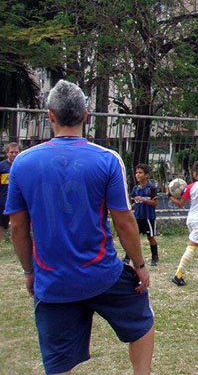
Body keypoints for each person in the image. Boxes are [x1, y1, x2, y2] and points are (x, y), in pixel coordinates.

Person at [4, 80, 153, 374]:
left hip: (53, 281)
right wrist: (139, 264)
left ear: (50, 116)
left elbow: (18, 228)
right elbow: (123, 221)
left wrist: (29, 271)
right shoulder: (107, 160)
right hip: (103, 274)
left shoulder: (22, 163)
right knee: (142, 322)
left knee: (58, 363)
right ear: (86, 115)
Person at [123, 164, 159, 266]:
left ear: (146, 175)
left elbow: (155, 203)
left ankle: (155, 258)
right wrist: (130, 207)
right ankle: (127, 258)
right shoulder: (135, 189)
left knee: (150, 237)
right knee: (132, 238)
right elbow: (135, 202)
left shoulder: (151, 188)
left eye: (140, 173)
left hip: (148, 217)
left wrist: (144, 200)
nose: (137, 175)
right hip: (137, 217)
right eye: (136, 173)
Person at [0, 142, 20, 243]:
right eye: (11, 152)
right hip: (3, 200)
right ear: (7, 153)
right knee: (1, 224)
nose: (14, 154)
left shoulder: (22, 165)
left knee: (17, 224)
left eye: (16, 152)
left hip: (17, 200)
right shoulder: (2, 166)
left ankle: (15, 243)